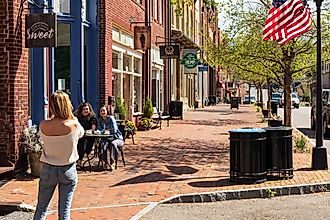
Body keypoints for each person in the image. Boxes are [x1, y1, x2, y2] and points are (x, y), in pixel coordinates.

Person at [33, 91, 84, 220]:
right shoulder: (74, 125)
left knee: (41, 209)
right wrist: (72, 117)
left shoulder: (43, 125)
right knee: (64, 211)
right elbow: (81, 133)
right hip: (68, 168)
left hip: (48, 168)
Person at [97, 106, 124, 171]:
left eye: (104, 110)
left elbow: (114, 130)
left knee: (113, 144)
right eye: (101, 111)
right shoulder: (99, 120)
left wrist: (104, 131)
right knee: (102, 144)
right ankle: (105, 162)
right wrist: (104, 131)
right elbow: (99, 130)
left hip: (116, 138)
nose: (102, 112)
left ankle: (113, 162)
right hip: (106, 138)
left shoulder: (111, 118)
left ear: (107, 111)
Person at [75, 102, 97, 168]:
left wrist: (86, 131)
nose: (85, 111)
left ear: (90, 110)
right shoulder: (78, 118)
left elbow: (93, 129)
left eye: (87, 109)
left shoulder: (93, 118)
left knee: (82, 143)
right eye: (84, 109)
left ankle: (79, 161)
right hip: (79, 137)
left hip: (89, 138)